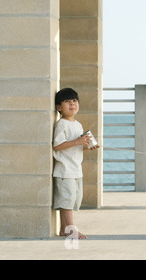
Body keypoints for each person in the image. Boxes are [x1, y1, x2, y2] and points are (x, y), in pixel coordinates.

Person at [53, 88, 99, 239]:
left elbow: (76, 148)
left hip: (75, 170)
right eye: (67, 101)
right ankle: (71, 231)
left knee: (71, 200)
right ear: (59, 107)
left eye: (74, 101)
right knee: (67, 202)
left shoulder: (77, 124)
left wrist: (87, 146)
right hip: (64, 170)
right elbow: (57, 146)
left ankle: (63, 229)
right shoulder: (62, 124)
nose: (72, 104)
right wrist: (78, 141)